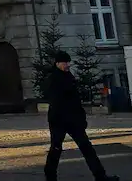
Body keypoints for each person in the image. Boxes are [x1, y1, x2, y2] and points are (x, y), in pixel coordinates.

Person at [44, 51, 118, 181]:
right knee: (56, 149)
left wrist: (81, 118)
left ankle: (100, 176)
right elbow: (55, 102)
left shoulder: (69, 76)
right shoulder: (53, 79)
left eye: (68, 62)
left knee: (87, 148)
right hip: (59, 121)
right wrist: (58, 120)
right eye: (65, 63)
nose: (67, 65)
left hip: (73, 120)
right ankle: (50, 176)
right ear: (57, 64)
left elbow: (75, 100)